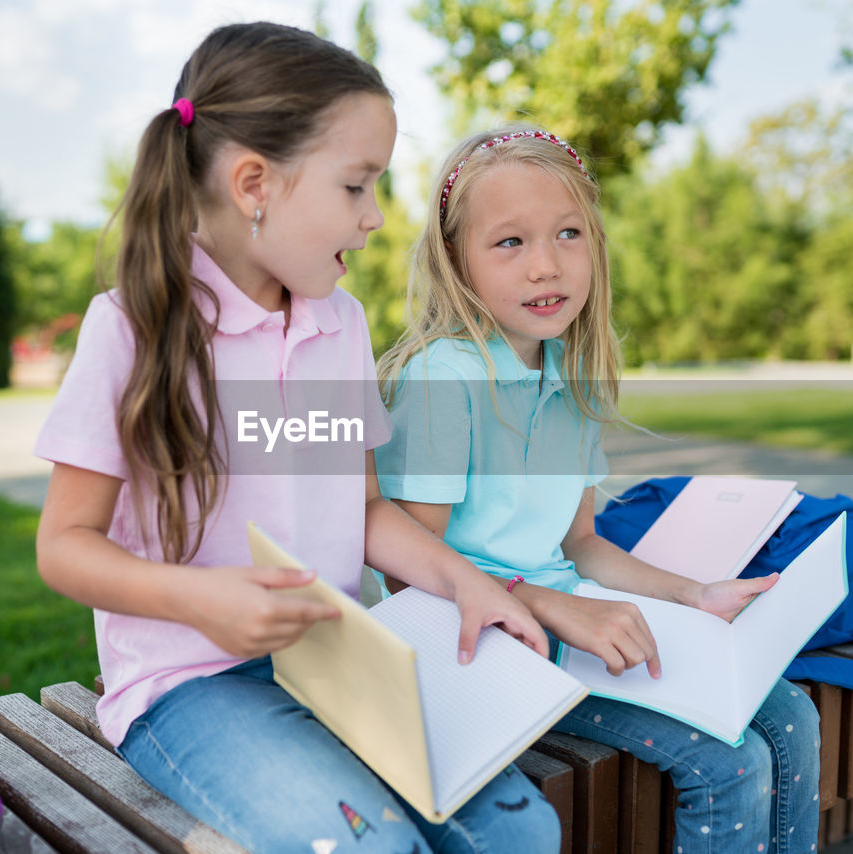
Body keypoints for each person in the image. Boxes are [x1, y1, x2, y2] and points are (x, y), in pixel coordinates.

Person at [32, 26, 558, 854]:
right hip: (187, 688)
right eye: (356, 186)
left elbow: (365, 509)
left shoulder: (339, 322)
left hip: (339, 663)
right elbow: (65, 545)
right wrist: (199, 599)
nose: (378, 217)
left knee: (527, 832)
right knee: (371, 846)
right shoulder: (129, 328)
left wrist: (467, 586)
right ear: (254, 185)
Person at [375, 126, 822, 853]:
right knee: (730, 762)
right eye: (510, 243)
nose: (546, 266)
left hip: (567, 624)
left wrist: (691, 595)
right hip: (484, 646)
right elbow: (404, 574)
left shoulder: (569, 376)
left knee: (791, 715)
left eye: (567, 233)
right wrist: (547, 608)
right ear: (457, 261)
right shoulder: (441, 381)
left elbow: (580, 543)